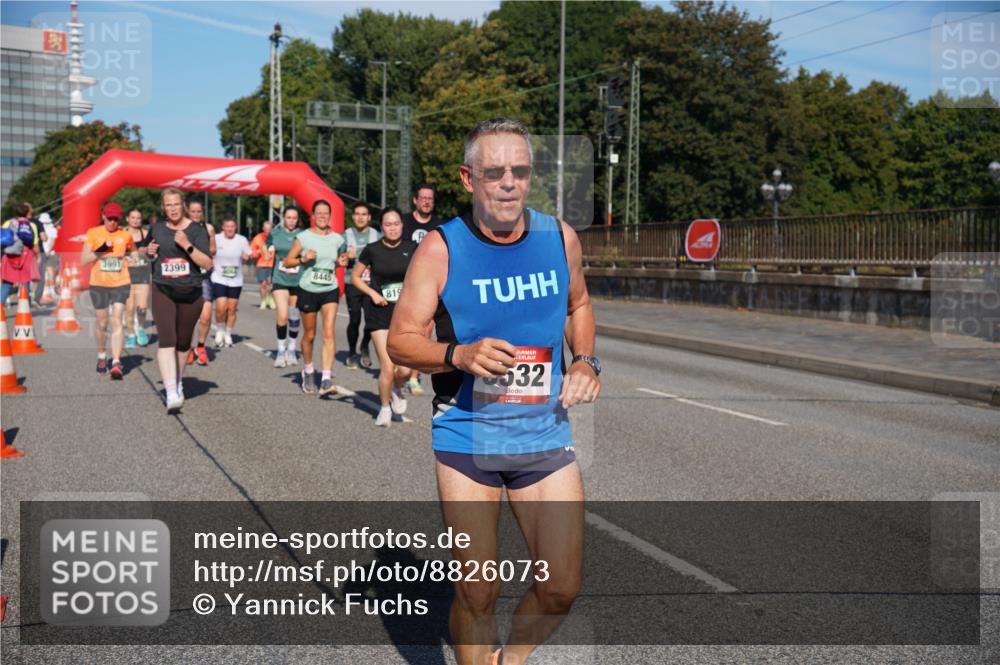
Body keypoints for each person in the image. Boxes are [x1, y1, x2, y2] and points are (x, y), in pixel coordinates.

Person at [387, 118, 601, 665]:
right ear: (468, 177)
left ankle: (512, 658)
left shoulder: (560, 238)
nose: (509, 183)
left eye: (520, 172)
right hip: (467, 437)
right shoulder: (441, 248)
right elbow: (402, 342)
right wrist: (457, 355)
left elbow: (579, 305)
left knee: (561, 588)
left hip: (544, 434)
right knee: (478, 592)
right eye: (495, 172)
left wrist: (584, 360)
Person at [146, 188, 213, 413]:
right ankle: (171, 391)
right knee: (167, 339)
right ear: (163, 207)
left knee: (183, 343)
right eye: (168, 205)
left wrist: (187, 245)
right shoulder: (156, 228)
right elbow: (146, 250)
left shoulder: (197, 231)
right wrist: (149, 251)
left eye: (176, 204)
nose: (172, 209)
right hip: (162, 288)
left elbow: (207, 263)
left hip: (191, 292)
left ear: (182, 205)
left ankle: (179, 380)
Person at [351, 207, 415, 426]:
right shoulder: (372, 249)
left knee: (405, 370)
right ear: (381, 226)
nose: (393, 228)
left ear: (402, 225)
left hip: (405, 313)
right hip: (379, 312)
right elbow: (356, 277)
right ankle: (385, 408)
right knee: (387, 367)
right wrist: (372, 293)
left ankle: (398, 386)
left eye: (396, 223)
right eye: (388, 224)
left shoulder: (413, 248)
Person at [282, 200, 348, 396]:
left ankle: (326, 378)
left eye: (325, 213)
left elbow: (336, 261)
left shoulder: (337, 239)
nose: (322, 216)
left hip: (330, 289)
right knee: (310, 335)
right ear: (312, 216)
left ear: (330, 216)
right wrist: (303, 259)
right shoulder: (303, 238)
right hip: (308, 289)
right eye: (318, 213)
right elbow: (288, 261)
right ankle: (309, 370)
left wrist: (341, 262)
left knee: (329, 332)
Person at [80, 202, 135, 379]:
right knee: (102, 323)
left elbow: (133, 252)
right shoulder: (93, 233)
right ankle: (102, 355)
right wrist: (101, 250)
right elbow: (83, 259)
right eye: (109, 218)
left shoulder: (125, 235)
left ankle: (116, 362)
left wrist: (134, 259)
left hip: (120, 282)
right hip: (99, 283)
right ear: (103, 216)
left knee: (117, 319)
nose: (112, 222)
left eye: (115, 219)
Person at [400, 185, 441, 396]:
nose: (426, 201)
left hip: (428, 285)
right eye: (423, 198)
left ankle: (413, 377)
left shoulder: (439, 226)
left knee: (424, 332)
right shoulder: (404, 222)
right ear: (415, 200)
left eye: (430, 199)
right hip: (402, 283)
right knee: (401, 330)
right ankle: (398, 369)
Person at [344, 202, 381, 369]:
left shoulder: (377, 235)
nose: (360, 217)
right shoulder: (345, 235)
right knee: (355, 319)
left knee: (371, 321)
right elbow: (336, 258)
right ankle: (352, 352)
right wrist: (345, 256)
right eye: (357, 214)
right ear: (353, 216)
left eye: (364, 214)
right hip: (352, 282)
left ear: (369, 217)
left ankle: (364, 345)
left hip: (371, 284)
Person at [267, 207, 304, 368]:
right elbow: (264, 244)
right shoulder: (275, 233)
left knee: (294, 316)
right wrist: (267, 253)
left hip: (298, 280)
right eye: (288, 217)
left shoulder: (303, 235)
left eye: (294, 218)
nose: (291, 220)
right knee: (282, 316)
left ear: (297, 219)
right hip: (280, 278)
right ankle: (281, 351)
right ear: (283, 218)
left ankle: (292, 349)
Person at [210, 217, 251, 347]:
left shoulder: (241, 240)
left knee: (231, 309)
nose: (230, 229)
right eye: (227, 226)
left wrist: (247, 257)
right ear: (223, 227)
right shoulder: (216, 238)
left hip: (236, 279)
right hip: (219, 277)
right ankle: (220, 330)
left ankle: (228, 333)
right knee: (221, 307)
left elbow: (249, 254)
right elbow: (209, 252)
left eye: (232, 226)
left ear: (236, 228)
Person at [186, 197, 217, 366]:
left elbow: (213, 249)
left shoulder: (209, 228)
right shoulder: (181, 228)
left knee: (205, 317)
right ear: (188, 212)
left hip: (204, 276)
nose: (196, 215)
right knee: (188, 317)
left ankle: (201, 346)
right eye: (193, 212)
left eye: (199, 212)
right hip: (186, 277)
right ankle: (188, 348)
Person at [1, 202, 41, 306]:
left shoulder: (7, 223)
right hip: (26, 255)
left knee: (7, 283)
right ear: (27, 213)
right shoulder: (31, 225)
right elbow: (35, 244)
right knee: (25, 282)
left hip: (9, 255)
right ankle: (25, 308)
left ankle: (0, 308)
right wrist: (38, 256)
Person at [124, 208, 152, 348]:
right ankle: (130, 335)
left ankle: (140, 328)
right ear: (127, 219)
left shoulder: (146, 234)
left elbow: (153, 253)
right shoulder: (121, 234)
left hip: (143, 274)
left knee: (142, 306)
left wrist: (147, 253)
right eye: (133, 217)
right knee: (129, 308)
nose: (135, 220)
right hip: (126, 275)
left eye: (138, 218)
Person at [250, 220, 275, 310]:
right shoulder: (258, 238)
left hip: (273, 264)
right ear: (263, 228)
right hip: (261, 264)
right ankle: (263, 301)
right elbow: (252, 252)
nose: (268, 231)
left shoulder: (275, 238)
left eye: (270, 229)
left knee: (271, 284)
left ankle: (270, 299)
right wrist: (258, 252)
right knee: (263, 284)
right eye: (266, 229)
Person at [35, 212, 58, 304]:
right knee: (50, 271)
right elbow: (53, 241)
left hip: (42, 253)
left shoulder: (39, 229)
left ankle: (40, 293)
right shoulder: (53, 229)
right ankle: (52, 291)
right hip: (50, 252)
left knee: (41, 273)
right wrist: (49, 250)